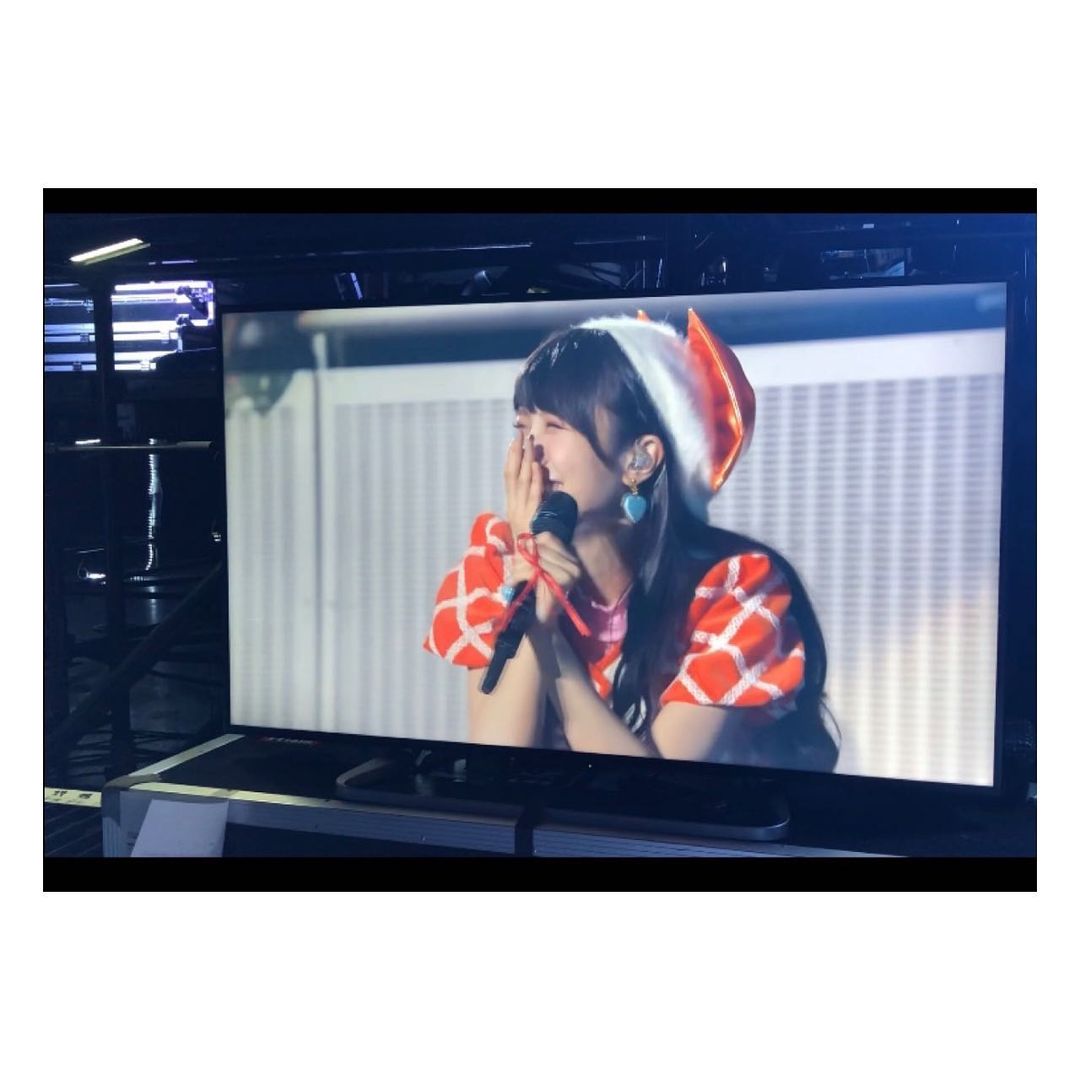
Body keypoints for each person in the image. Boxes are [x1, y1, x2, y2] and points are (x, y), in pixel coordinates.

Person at [423, 310, 839, 771]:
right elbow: (494, 767)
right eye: (522, 427)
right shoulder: (498, 563)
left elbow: (653, 790)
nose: (530, 451)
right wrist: (531, 599)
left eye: (555, 426)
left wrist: (550, 634)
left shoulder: (731, 590)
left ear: (639, 460)